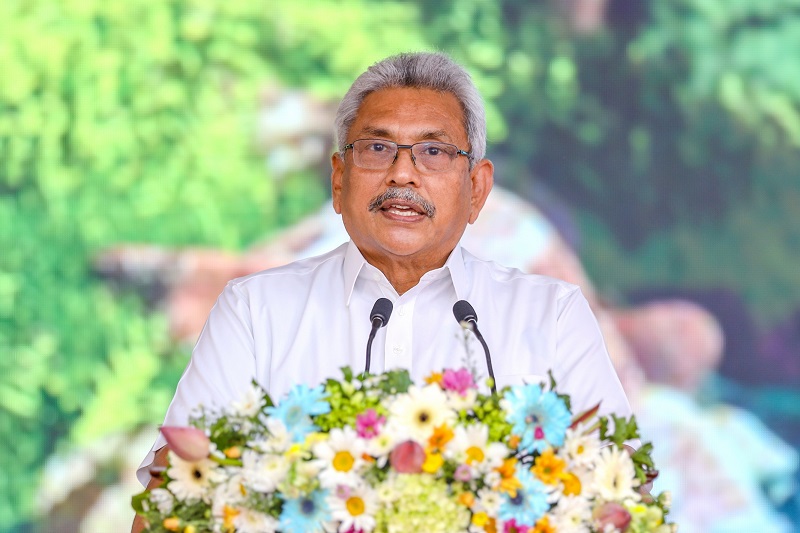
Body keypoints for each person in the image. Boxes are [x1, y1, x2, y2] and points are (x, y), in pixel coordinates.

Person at [133, 51, 634, 531]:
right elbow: (171, 496)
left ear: (477, 189)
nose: (402, 173)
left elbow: (625, 499)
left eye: (433, 152)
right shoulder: (254, 309)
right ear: (338, 179)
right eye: (377, 148)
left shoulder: (553, 314)